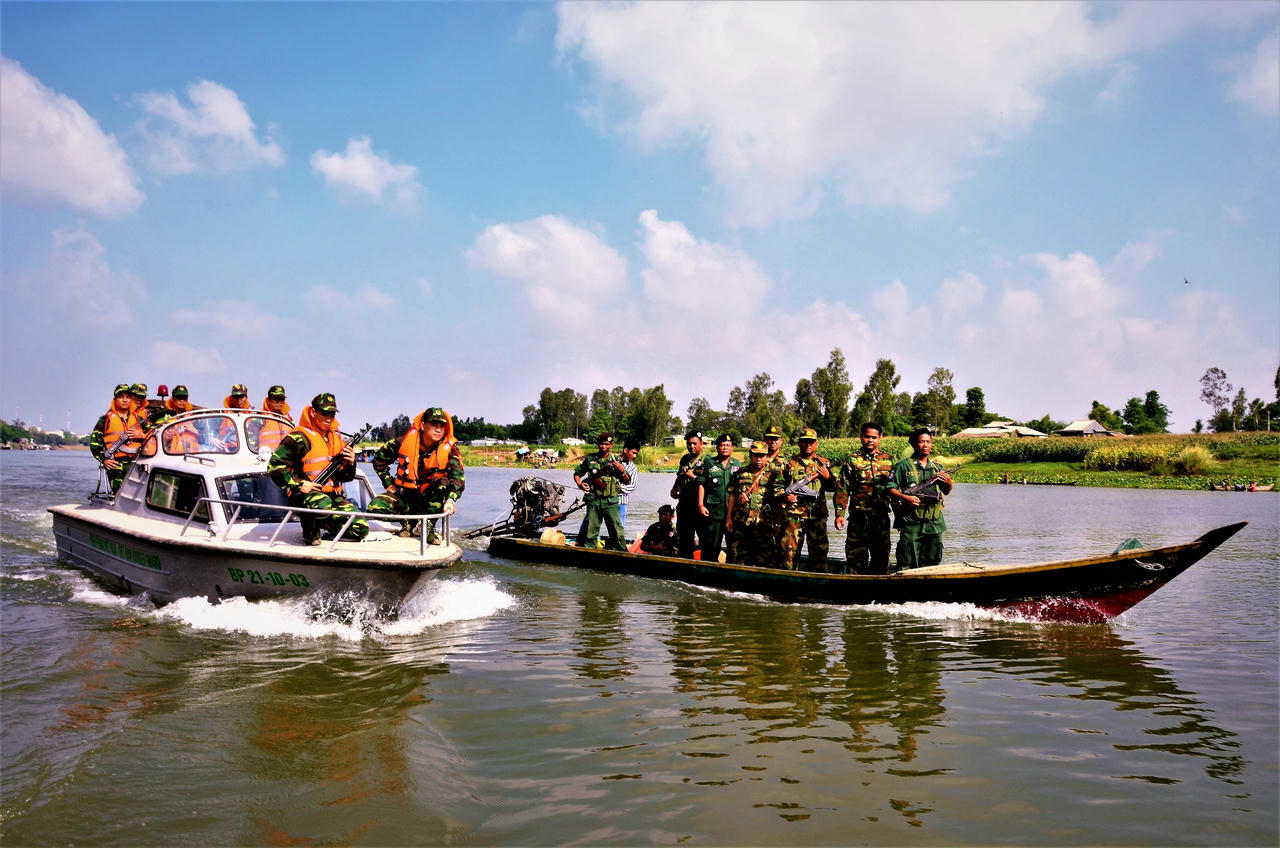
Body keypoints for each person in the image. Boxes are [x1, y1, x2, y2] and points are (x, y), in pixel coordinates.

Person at [267, 393, 368, 546]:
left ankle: (329, 526)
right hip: (305, 497)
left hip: (332, 496)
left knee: (360, 528)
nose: (328, 418)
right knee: (322, 504)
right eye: (324, 413)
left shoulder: (336, 439)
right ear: (313, 412)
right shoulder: (298, 438)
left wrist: (351, 463)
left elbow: (346, 477)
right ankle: (310, 532)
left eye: (332, 414)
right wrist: (299, 484)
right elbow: (274, 466)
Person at [366, 407, 465, 543]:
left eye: (442, 426)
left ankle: (428, 528)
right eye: (434, 424)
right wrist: (388, 483)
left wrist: (451, 499)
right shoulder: (403, 442)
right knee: (374, 508)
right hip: (405, 496)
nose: (438, 429)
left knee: (443, 485)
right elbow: (379, 460)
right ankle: (408, 523)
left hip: (429, 500)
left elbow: (458, 478)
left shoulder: (450, 450)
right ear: (423, 425)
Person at [833, 421, 895, 574]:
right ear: (861, 437)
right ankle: (855, 596)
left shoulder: (889, 460)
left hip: (880, 519)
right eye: (867, 436)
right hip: (858, 519)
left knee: (881, 560)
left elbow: (896, 489)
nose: (870, 440)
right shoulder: (851, 460)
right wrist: (839, 514)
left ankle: (879, 597)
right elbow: (842, 488)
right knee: (855, 560)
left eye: (874, 437)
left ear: (880, 438)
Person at [887, 428, 954, 570]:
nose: (925, 445)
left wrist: (948, 482)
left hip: (934, 523)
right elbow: (890, 488)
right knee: (907, 560)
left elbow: (946, 491)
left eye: (928, 442)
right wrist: (905, 498)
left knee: (933, 561)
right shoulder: (903, 465)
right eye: (921, 441)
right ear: (913, 444)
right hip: (911, 523)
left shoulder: (937, 468)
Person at [773, 428, 835, 571]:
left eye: (811, 442)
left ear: (816, 444)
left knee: (819, 554)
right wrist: (785, 496)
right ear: (799, 443)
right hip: (794, 517)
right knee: (789, 555)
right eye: (805, 441)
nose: (808, 445)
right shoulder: (789, 464)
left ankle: (818, 586)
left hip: (817, 516)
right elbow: (777, 487)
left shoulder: (823, 463)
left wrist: (827, 477)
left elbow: (834, 488)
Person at [573, 432, 630, 551]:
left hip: (611, 502)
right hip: (593, 501)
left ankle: (622, 553)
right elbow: (577, 474)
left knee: (617, 531)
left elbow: (627, 481)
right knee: (591, 531)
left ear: (611, 445)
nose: (604, 446)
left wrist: (622, 471)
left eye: (607, 444)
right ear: (598, 444)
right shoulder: (590, 459)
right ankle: (590, 553)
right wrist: (580, 484)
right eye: (601, 444)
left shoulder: (616, 460)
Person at [90, 383, 148, 493]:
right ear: (115, 399)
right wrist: (104, 459)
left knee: (139, 494)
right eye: (121, 397)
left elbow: (154, 434)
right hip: (116, 465)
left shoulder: (139, 419)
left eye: (128, 397)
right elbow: (94, 443)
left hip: (137, 463)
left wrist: (143, 435)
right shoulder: (105, 419)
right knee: (120, 494)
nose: (125, 400)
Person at [725, 441, 776, 566]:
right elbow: (732, 495)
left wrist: (778, 523)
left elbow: (778, 501)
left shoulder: (773, 475)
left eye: (762, 456)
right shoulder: (740, 473)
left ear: (767, 456)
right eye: (755, 455)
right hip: (741, 523)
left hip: (763, 525)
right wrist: (728, 518)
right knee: (737, 558)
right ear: (750, 455)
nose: (759, 459)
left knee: (765, 560)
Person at [697, 433, 742, 561]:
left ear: (732, 448)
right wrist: (700, 505)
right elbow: (702, 484)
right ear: (717, 448)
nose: (725, 448)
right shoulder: (709, 463)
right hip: (714, 513)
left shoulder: (737, 464)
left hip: (733, 514)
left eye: (728, 445)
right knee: (711, 548)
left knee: (733, 549)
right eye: (722, 445)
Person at [670, 431, 706, 558]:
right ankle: (685, 562)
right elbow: (680, 475)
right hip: (684, 503)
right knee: (684, 537)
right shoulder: (684, 459)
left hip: (698, 504)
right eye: (689, 444)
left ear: (701, 444)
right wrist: (674, 488)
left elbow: (707, 483)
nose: (691, 446)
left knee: (703, 536)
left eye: (694, 443)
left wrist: (693, 476)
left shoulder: (707, 460)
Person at [249, 385, 293, 453]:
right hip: (266, 460)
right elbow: (251, 441)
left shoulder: (289, 420)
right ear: (268, 400)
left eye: (281, 399)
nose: (279, 402)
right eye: (276, 399)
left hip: (286, 461)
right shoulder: (260, 418)